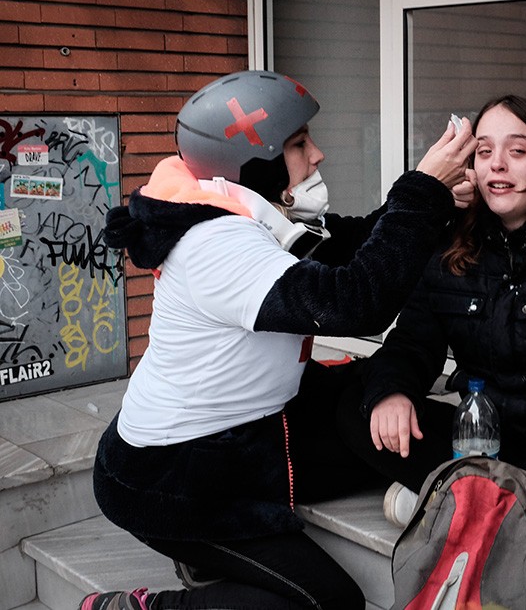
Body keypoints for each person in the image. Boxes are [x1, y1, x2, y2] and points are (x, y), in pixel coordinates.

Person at [82, 69, 477, 610]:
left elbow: (353, 243)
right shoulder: (217, 244)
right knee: (326, 602)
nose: (316, 156)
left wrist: (435, 203)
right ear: (254, 163)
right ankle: (150, 605)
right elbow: (356, 301)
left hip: (244, 429)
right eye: (298, 144)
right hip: (173, 476)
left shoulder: (230, 208)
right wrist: (423, 189)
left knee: (364, 399)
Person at [334, 94, 526, 550]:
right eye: (484, 152)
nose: (497, 166)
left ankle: (453, 504)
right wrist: (393, 392)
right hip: (487, 440)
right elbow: (413, 341)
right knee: (358, 403)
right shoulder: (451, 243)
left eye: (517, 151)